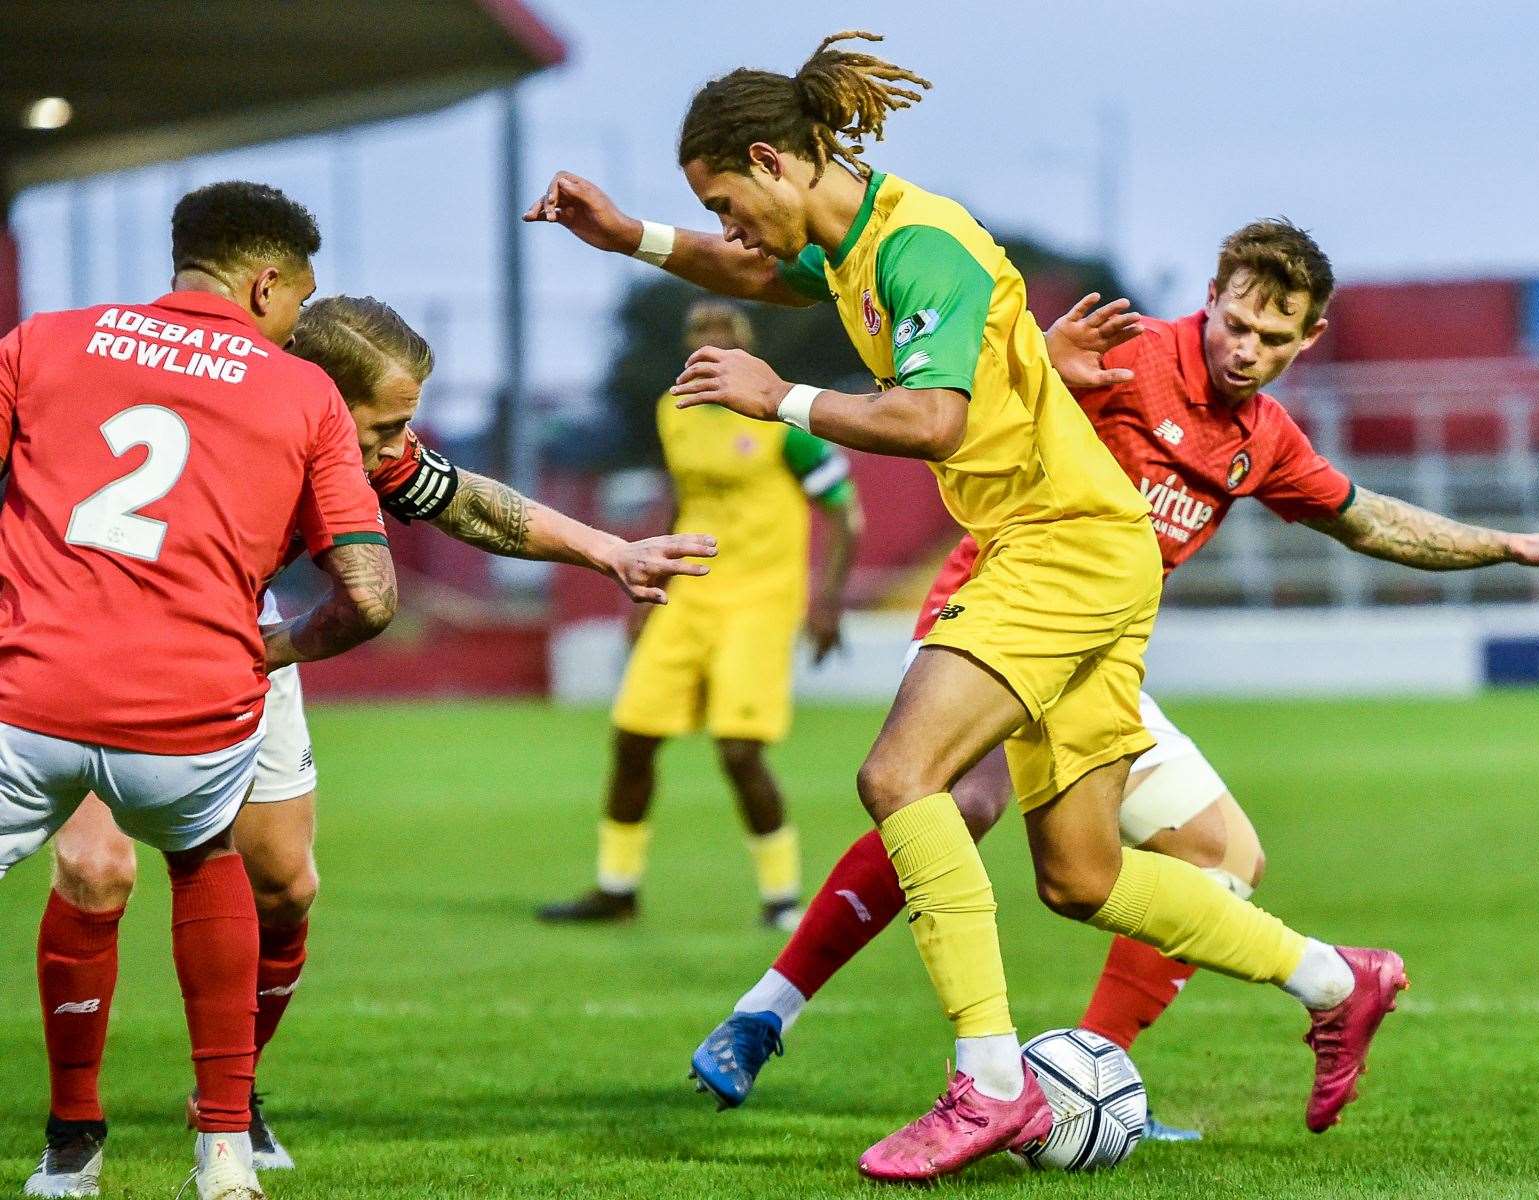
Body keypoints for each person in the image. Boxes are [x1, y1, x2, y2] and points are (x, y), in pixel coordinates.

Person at [526, 32, 1406, 1181]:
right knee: (1081, 877)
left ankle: (988, 1083)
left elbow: (932, 422)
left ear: (772, 160)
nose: (729, 225)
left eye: (726, 201)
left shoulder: (921, 248)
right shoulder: (854, 247)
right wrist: (633, 235)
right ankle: (1340, 980)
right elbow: (750, 272)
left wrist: (778, 394)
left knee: (902, 778)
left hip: (1058, 546)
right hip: (1089, 551)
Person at [689, 220, 1539, 1134]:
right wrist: (1041, 372)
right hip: (995, 610)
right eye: (1236, 322)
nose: (1247, 348)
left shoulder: (1262, 436)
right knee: (948, 798)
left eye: (1273, 337)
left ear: (1309, 340)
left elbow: (1370, 521)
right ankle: (764, 1014)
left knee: (1220, 858)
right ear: (1211, 299)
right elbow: (967, 405)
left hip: (1097, 653)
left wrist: (1513, 544)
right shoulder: (1126, 356)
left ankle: (1084, 1082)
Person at [26, 293, 716, 1197]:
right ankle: (73, 1127)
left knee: (287, 883)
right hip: (94, 643)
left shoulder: (352, 451)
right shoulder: (227, 416)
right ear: (319, 392)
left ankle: (225, 1099)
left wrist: (609, 550)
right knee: (97, 868)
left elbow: (471, 504)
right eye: (388, 424)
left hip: (242, 645)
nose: (400, 446)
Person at [2, 182, 395, 1200]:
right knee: (205, 859)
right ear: (265, 283)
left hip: (29, 694)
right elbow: (372, 596)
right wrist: (282, 646)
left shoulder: (44, 340)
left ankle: (71, 1155)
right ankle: (223, 1154)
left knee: (104, 870)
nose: (296, 323)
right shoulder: (299, 390)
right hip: (190, 707)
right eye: (296, 303)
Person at [537, 299, 861, 930]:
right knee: (633, 738)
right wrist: (644, 587)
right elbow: (681, 504)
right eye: (699, 336)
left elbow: (847, 512)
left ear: (745, 350)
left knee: (739, 750)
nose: (710, 346)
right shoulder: (674, 412)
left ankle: (782, 900)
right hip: (687, 598)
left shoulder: (781, 419)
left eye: (724, 337)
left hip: (760, 602)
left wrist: (827, 601)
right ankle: (616, 889)